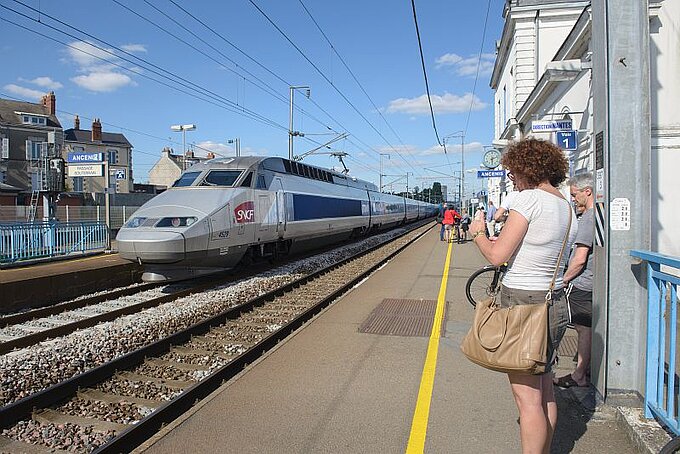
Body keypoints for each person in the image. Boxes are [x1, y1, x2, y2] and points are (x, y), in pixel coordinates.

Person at [468, 138, 577, 454]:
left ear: (528, 168)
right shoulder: (565, 204)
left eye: (513, 172)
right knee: (545, 393)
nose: (510, 178)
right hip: (554, 301)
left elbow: (496, 255)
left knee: (527, 401)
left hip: (524, 304)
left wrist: (477, 231)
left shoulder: (528, 200)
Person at [554, 172, 595, 389]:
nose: (573, 199)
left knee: (581, 328)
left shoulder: (589, 219)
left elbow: (579, 259)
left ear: (587, 191)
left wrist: (563, 279)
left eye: (575, 194)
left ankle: (579, 374)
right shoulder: (594, 215)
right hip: (588, 282)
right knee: (584, 327)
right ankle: (584, 369)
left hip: (582, 283)